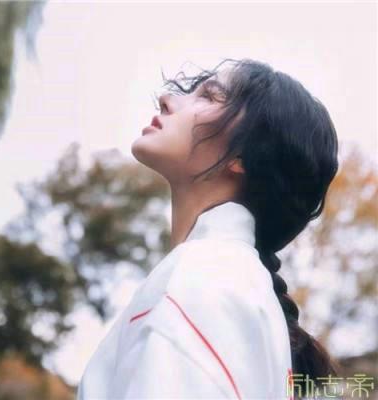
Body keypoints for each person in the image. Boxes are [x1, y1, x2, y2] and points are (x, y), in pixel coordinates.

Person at [77, 58, 342, 399]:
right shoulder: (231, 279)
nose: (167, 99)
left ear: (244, 157)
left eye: (208, 96)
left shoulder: (205, 274)